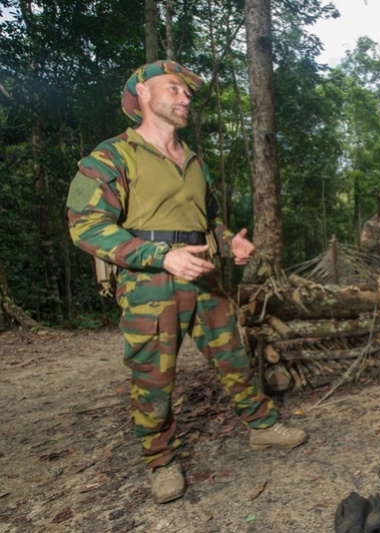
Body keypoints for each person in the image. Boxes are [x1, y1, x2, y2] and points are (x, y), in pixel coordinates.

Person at [65, 60, 307, 504]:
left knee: (233, 355)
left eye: (188, 93)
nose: (184, 97)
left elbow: (209, 220)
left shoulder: (195, 161)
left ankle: (263, 427)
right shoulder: (112, 155)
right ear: (142, 94)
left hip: (205, 275)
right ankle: (160, 460)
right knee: (153, 374)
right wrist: (161, 256)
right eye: (173, 88)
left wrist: (227, 243)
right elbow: (86, 227)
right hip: (148, 284)